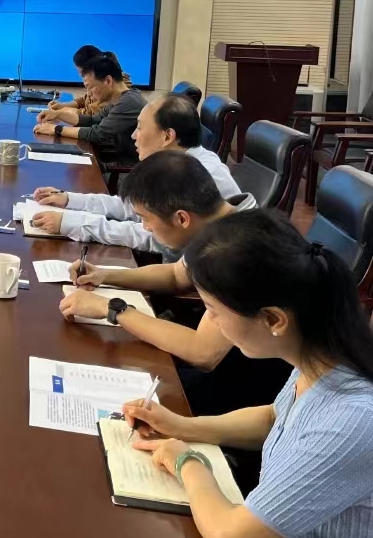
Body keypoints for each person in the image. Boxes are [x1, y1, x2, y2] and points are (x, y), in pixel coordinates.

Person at [123, 210, 373, 538]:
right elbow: (274, 419)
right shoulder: (319, 357)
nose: (211, 323)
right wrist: (182, 426)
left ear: (273, 320)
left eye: (213, 311)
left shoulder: (352, 418)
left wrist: (187, 460)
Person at [60, 151, 278, 417]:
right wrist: (105, 275)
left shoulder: (238, 253)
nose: (145, 227)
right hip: (222, 360)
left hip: (246, 392)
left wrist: (112, 309)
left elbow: (204, 353)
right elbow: (176, 276)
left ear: (181, 218)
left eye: (145, 218)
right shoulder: (223, 224)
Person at [29, 93, 241, 254]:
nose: (133, 135)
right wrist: (69, 199)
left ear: (167, 136)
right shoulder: (175, 164)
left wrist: (71, 223)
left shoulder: (198, 175)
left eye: (139, 128)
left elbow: (151, 236)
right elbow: (132, 207)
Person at [35, 51, 145, 160]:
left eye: (91, 87)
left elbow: (98, 134)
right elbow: (92, 120)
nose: (89, 93)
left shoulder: (128, 102)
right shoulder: (121, 98)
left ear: (108, 81)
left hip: (124, 163)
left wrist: (56, 129)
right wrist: (58, 114)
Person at [46, 44, 133, 118]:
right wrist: (62, 106)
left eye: (80, 71)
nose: (81, 75)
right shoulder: (99, 84)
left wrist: (62, 112)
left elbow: (91, 116)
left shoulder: (114, 91)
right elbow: (85, 100)